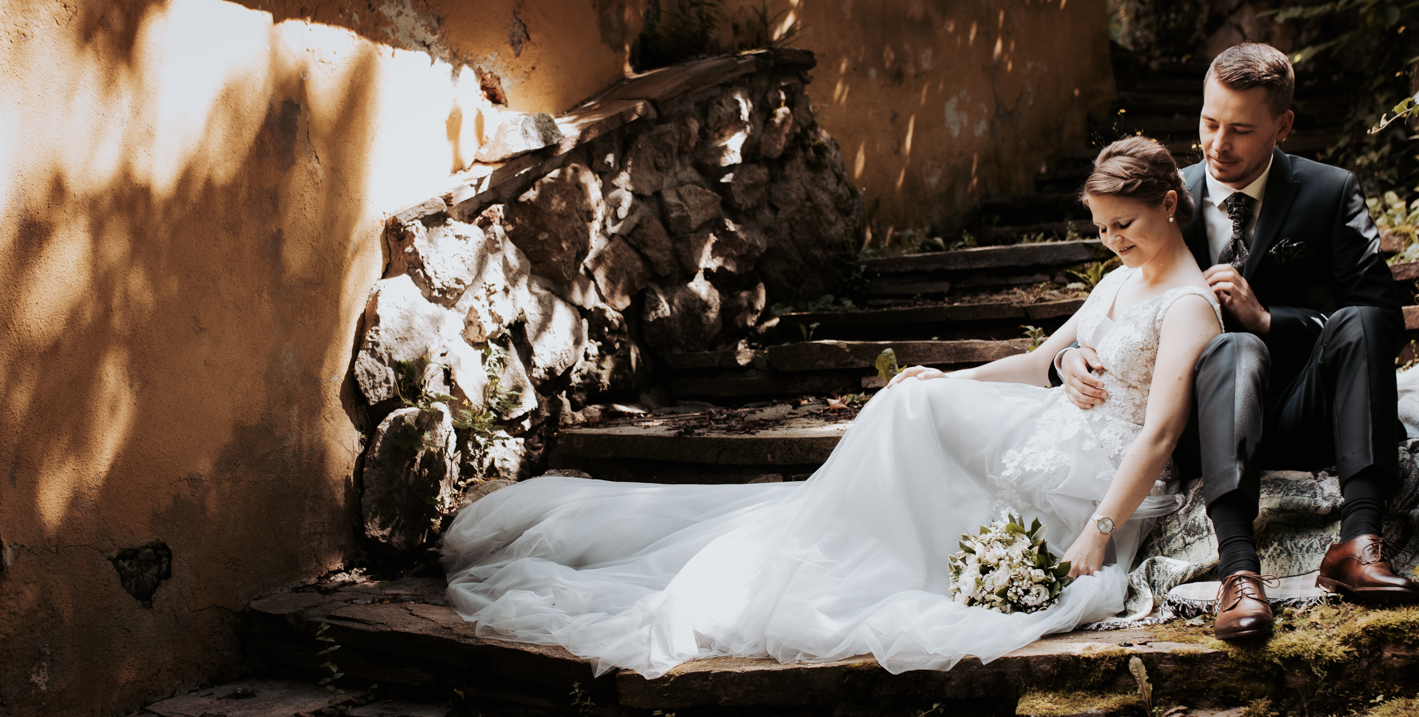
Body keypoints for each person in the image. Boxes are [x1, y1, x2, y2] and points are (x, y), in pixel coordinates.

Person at [442, 138, 1221, 679]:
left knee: (916, 441)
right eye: (1100, 227)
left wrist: (1099, 529)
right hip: (1052, 431)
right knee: (908, 402)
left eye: (1124, 224)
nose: (1110, 240)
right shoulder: (1118, 282)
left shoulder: (1188, 304)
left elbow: (1160, 433)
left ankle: (870, 556)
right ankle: (853, 542)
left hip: (1100, 476)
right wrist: (949, 379)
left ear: (1168, 202)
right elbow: (1037, 360)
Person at [1057, 43, 1419, 646]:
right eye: (1209, 122)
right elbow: (1115, 306)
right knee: (1232, 350)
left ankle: (1359, 541)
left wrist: (1270, 319)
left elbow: (1385, 320)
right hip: (1204, 426)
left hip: (1307, 409)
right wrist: (1068, 358)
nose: (1217, 145)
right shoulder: (1165, 195)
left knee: (1353, 319)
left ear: (1283, 125)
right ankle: (1239, 572)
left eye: (1241, 130)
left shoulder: (1330, 192)